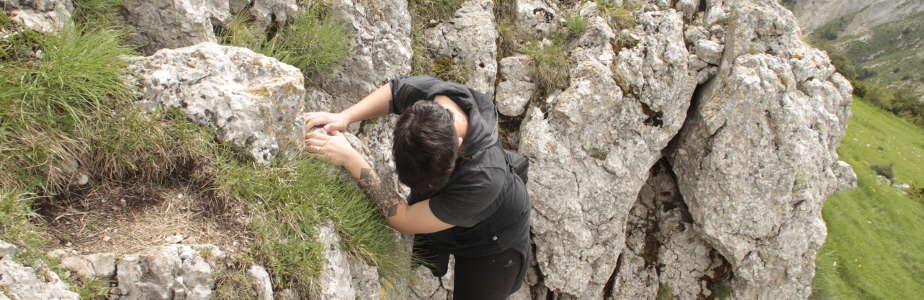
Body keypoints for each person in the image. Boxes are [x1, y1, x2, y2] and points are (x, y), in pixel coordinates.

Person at [303, 76, 530, 300]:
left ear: (459, 146)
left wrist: (351, 160)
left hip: (494, 242)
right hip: (452, 212)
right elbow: (394, 92)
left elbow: (403, 218)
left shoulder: (484, 178)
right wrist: (344, 116)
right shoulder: (431, 108)